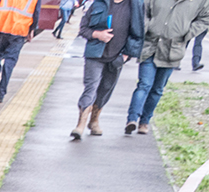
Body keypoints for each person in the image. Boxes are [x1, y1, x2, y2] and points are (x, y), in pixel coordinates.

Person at [126, 0, 209, 133]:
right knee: (144, 84)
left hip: (172, 49)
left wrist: (188, 33)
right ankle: (132, 119)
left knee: (158, 89)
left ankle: (144, 122)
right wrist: (147, 27)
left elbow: (205, 18)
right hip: (150, 46)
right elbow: (143, 10)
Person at [72, 0, 144, 138]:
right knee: (90, 88)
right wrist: (98, 35)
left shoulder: (135, 5)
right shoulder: (98, 3)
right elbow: (83, 29)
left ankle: (94, 121)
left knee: (106, 89)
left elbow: (138, 34)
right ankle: (80, 124)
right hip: (95, 55)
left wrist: (125, 56)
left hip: (116, 57)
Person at [0, 0, 42, 104]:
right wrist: (32, 30)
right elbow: (36, 13)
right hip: (19, 31)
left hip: (2, 28)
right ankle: (0, 94)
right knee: (9, 62)